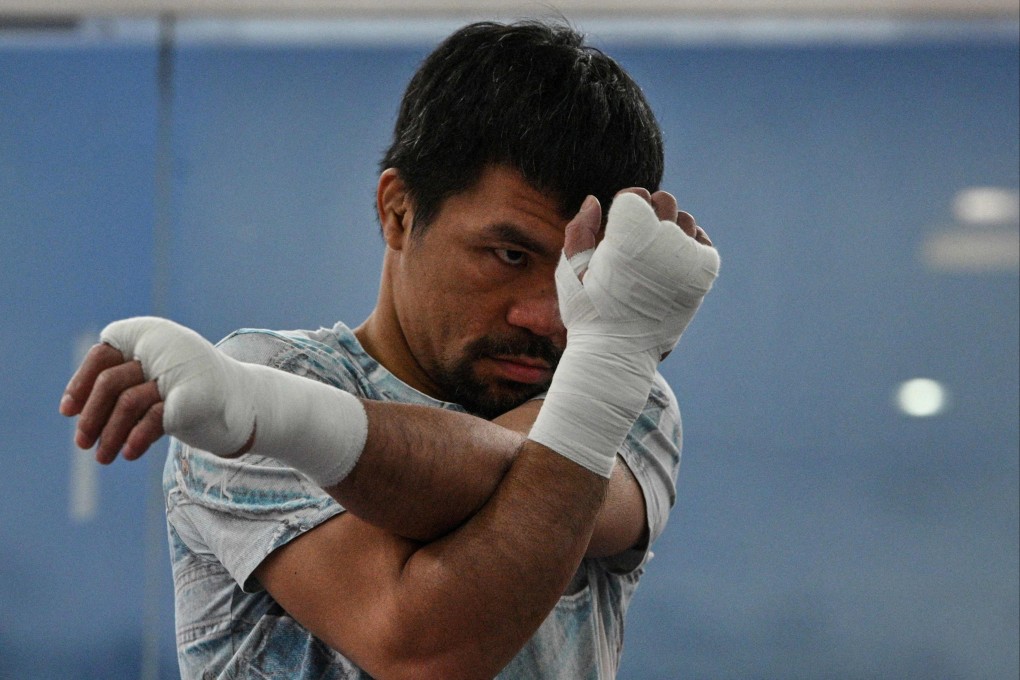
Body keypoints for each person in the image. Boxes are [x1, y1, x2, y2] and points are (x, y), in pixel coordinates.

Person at [59, 20, 719, 680]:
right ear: (398, 211)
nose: (545, 317)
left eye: (580, 273)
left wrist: (265, 414)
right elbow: (418, 645)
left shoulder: (629, 389)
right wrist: (598, 385)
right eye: (509, 255)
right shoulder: (279, 373)